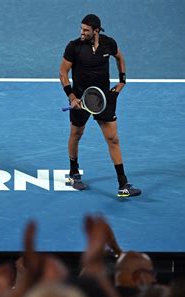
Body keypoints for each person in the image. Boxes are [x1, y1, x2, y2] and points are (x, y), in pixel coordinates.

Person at [59, 13, 141, 197]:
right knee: (76, 133)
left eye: (86, 30)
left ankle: (123, 184)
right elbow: (63, 73)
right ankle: (73, 173)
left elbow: (120, 57)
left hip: (102, 99)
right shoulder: (74, 47)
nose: (82, 32)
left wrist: (122, 82)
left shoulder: (108, 43)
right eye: (81, 29)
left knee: (113, 139)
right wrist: (71, 96)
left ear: (96, 31)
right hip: (80, 98)